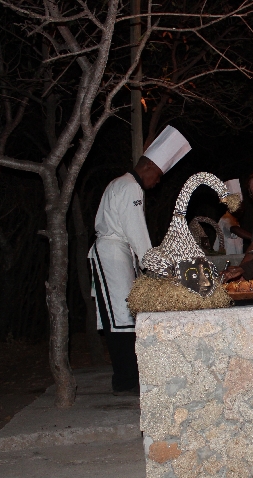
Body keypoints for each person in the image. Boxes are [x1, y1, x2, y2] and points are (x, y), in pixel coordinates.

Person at [88, 126, 190, 395]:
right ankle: (124, 380)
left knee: (126, 316)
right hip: (111, 253)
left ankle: (129, 378)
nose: (157, 183)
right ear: (149, 167)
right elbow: (138, 234)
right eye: (158, 176)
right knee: (121, 318)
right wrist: (160, 267)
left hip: (118, 252)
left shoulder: (123, 184)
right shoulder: (130, 187)